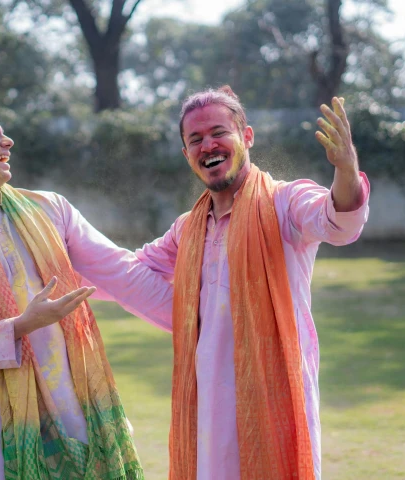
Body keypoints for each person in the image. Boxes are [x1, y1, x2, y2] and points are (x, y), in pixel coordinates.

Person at [0, 100, 172, 480]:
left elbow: (121, 273)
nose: (7, 141)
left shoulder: (50, 210)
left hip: (80, 408)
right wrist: (19, 326)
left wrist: (199, 318)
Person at [135, 86, 370, 480]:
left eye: (218, 132)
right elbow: (130, 272)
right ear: (187, 155)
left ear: (246, 136)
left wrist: (346, 170)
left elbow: (339, 221)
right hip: (207, 408)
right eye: (195, 139)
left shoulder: (284, 204)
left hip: (271, 400)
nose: (207, 144)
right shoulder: (187, 230)